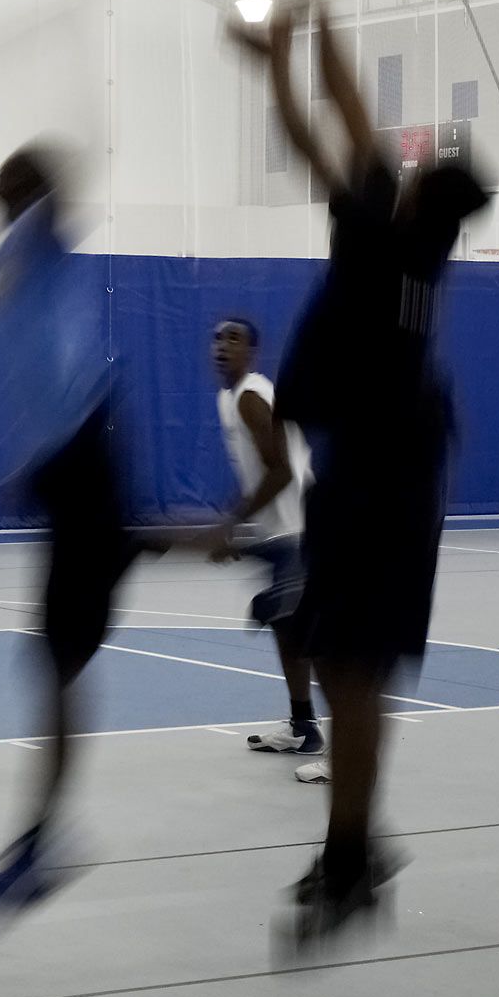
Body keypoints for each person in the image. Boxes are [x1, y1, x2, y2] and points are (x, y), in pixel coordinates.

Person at [229, 0, 491, 950]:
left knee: (355, 669)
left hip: (385, 480)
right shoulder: (414, 239)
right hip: (378, 473)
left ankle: (351, 857)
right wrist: (295, 44)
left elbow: (326, 125)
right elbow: (345, 121)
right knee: (348, 669)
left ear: (420, 192)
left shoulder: (387, 235)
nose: (398, 165)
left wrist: (297, 36)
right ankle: (352, 852)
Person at [0, 143, 156, 916]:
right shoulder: (11, 264)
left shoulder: (37, 241)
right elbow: (34, 373)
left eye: (8, 185)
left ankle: (43, 840)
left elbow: (66, 185)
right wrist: (31, 467)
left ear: (23, 192)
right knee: (55, 656)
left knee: (60, 657)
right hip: (68, 461)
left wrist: (57, 159)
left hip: (86, 450)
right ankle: (42, 837)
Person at [207, 315, 321, 764]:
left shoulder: (251, 396)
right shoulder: (229, 396)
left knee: (312, 635)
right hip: (280, 530)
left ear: (251, 351)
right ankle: (303, 727)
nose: (222, 345)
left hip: (303, 528)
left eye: (233, 339)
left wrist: (230, 525)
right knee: (286, 626)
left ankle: (348, 751)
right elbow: (261, 474)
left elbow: (282, 471)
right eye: (217, 339)